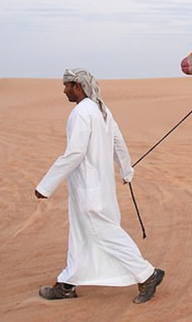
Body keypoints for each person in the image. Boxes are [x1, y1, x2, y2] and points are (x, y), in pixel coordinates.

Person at [35, 68, 164, 304]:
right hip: (97, 189)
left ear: (79, 86)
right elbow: (118, 141)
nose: (64, 90)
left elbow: (75, 152)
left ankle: (147, 274)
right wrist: (126, 170)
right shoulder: (101, 109)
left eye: (68, 85)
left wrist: (46, 185)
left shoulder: (83, 112)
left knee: (105, 233)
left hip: (89, 191)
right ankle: (67, 285)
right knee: (81, 236)